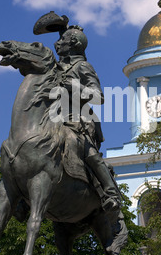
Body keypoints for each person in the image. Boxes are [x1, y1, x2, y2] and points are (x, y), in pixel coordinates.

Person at [50, 25, 121, 213]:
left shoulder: (82, 66)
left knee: (90, 155)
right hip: (54, 119)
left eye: (62, 40)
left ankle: (111, 194)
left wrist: (74, 85)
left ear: (73, 44)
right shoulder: (56, 67)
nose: (57, 44)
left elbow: (98, 96)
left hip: (78, 120)